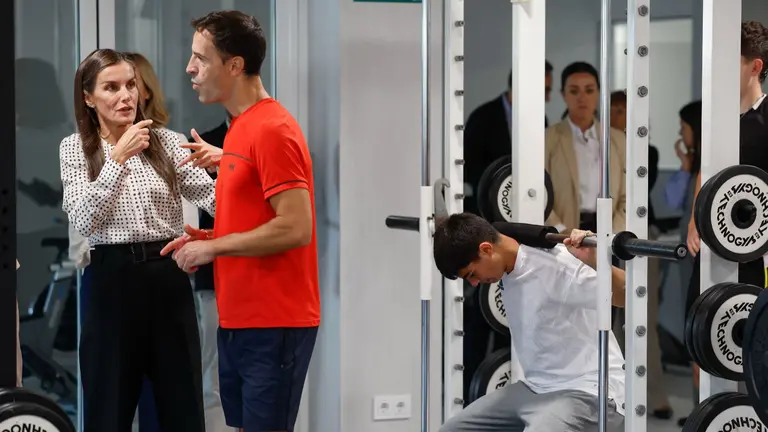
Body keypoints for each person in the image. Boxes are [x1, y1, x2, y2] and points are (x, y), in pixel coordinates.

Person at [161, 11, 320, 432]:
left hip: (273, 321)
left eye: (201, 58)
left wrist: (213, 247)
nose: (189, 68)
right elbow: (259, 219)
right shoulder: (240, 129)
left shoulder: (272, 129)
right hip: (239, 318)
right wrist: (207, 236)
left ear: (234, 65)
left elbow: (296, 227)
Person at [59, 48, 216, 432]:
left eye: (130, 85)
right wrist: (117, 159)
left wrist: (231, 164)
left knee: (182, 408)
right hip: (111, 280)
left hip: (167, 277)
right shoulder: (75, 147)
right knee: (108, 409)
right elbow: (84, 219)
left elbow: (215, 200)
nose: (125, 96)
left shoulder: (167, 141)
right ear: (88, 97)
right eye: (111, 87)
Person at [432, 212, 626, 432]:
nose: (475, 283)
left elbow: (628, 294)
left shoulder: (557, 266)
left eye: (472, 274)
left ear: (486, 249)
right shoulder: (506, 265)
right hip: (535, 388)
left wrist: (595, 261)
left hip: (588, 389)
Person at [679, 20, 768, 427]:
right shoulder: (715, 116)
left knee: (753, 356)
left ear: (755, 67)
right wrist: (694, 221)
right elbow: (707, 171)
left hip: (755, 256)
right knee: (704, 347)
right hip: (712, 251)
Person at [608, 90, 671, 419]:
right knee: (607, 320)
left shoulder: (649, 151)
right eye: (614, 110)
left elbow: (639, 188)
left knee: (644, 316)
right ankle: (615, 394)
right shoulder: (599, 149)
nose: (619, 115)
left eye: (624, 110)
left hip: (642, 234)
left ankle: (656, 394)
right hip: (604, 234)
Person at [544, 62, 626, 235]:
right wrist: (560, 230)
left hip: (608, 231)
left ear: (599, 93)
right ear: (563, 94)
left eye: (589, 90)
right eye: (574, 91)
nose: (582, 98)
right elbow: (538, 193)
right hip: (563, 233)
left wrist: (612, 233)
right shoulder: (548, 138)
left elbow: (628, 194)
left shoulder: (618, 139)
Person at [463, 61, 553, 215]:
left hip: (528, 205)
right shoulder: (482, 117)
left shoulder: (540, 119)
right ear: (523, 86)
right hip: (487, 210)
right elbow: (468, 167)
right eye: (544, 91)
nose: (548, 98)